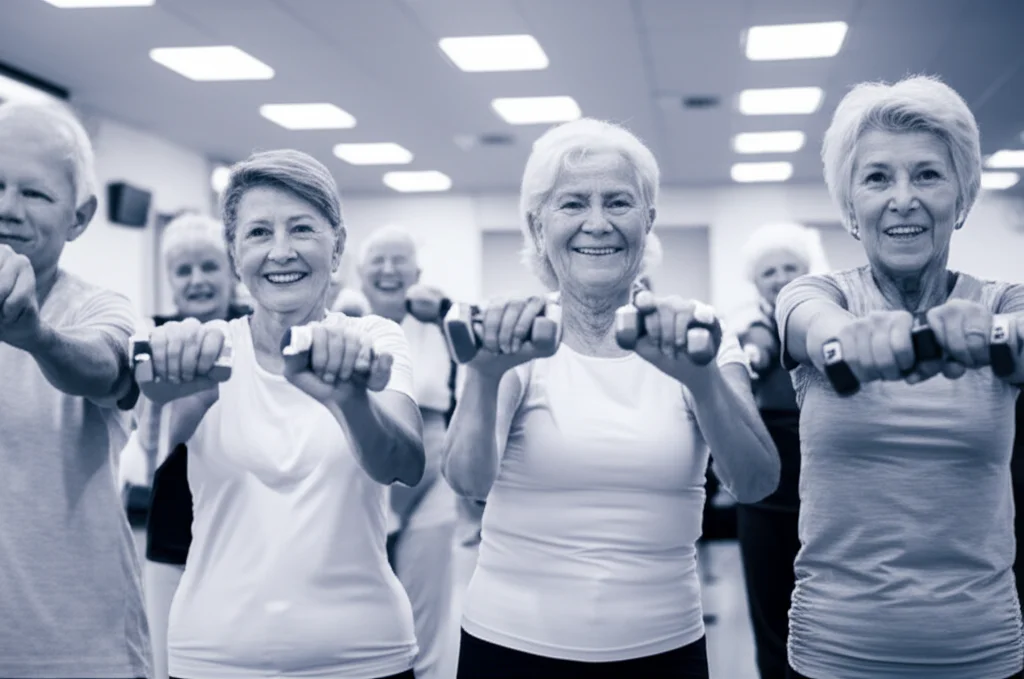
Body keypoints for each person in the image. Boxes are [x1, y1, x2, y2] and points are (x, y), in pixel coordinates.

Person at [443, 117, 780, 678]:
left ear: (648, 221)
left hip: (663, 648)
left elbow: (756, 482)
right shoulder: (517, 333)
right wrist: (483, 376)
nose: (597, 224)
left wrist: (700, 381)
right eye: (572, 204)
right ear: (538, 223)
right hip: (510, 647)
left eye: (618, 203)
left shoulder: (696, 332)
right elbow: (468, 483)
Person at [777, 74, 1024, 679]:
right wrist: (855, 340)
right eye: (878, 177)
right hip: (835, 652)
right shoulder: (816, 294)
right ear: (850, 207)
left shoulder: (1002, 302)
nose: (903, 198)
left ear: (962, 198)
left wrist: (991, 337)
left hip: (982, 652)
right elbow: (815, 327)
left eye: (928, 175)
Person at [146, 149, 425, 679]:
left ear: (337, 244)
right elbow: (150, 452)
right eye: (257, 234)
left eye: (301, 229)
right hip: (215, 657)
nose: (280, 252)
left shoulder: (372, 338)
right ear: (234, 253)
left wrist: (349, 400)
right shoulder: (205, 351)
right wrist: (182, 394)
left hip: (362, 656)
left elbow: (405, 463)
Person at [0, 100, 151, 677]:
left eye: (34, 194)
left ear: (80, 216)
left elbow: (105, 368)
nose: (8, 209)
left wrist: (35, 335)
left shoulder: (102, 308)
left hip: (79, 651)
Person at [122, 212, 251, 679]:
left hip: (251, 531)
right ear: (169, 280)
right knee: (171, 665)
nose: (197, 280)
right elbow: (143, 441)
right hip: (173, 530)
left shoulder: (259, 335)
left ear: (232, 270)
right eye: (183, 270)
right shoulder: (149, 336)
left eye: (209, 266)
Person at [730, 222, 831, 679]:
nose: (781, 276)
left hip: (828, 494)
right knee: (770, 607)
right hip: (767, 498)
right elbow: (759, 349)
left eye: (790, 267)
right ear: (756, 281)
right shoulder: (749, 332)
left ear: (808, 271)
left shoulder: (831, 321)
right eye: (770, 270)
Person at [357, 225, 459, 679]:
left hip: (433, 471)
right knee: (364, 603)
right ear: (360, 275)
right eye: (378, 260)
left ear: (417, 273)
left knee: (427, 609)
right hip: (364, 470)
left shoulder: (440, 325)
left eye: (399, 260)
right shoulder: (343, 323)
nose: (388, 269)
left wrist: (445, 311)